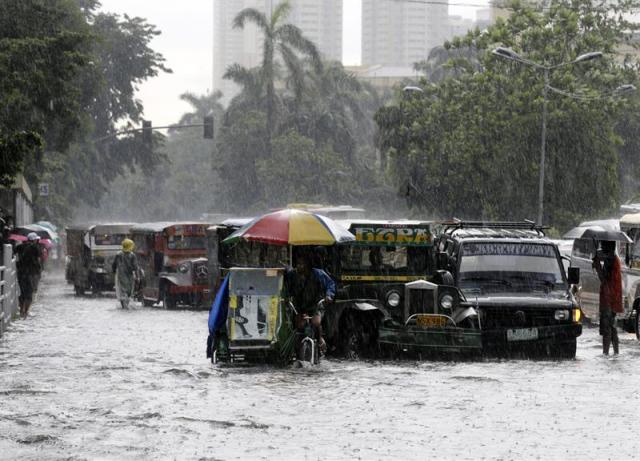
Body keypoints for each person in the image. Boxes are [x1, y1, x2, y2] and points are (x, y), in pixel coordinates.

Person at [286, 253, 336, 354]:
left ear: (308, 265)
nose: (299, 266)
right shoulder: (293, 275)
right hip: (300, 307)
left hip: (316, 305)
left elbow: (330, 284)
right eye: (298, 264)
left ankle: (321, 340)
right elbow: (285, 283)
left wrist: (329, 295)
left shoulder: (318, 274)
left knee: (316, 322)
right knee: (298, 324)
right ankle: (296, 349)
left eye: (302, 264)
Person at [592, 240, 623, 355]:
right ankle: (616, 353)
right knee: (612, 327)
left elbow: (603, 279)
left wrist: (597, 266)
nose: (601, 248)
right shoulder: (613, 258)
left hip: (608, 298)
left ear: (607, 246)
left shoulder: (610, 260)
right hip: (614, 298)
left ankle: (605, 354)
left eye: (603, 245)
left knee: (607, 328)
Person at [15, 232, 43, 318]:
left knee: (23, 292)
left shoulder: (20, 246)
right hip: (31, 273)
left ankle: (21, 311)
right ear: (34, 240)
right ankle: (26, 312)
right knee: (29, 293)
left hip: (21, 273)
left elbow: (14, 253)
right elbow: (39, 257)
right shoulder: (35, 247)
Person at [112, 238, 138, 309]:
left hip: (120, 274)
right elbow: (135, 267)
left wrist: (114, 271)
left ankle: (124, 305)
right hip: (129, 275)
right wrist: (137, 276)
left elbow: (114, 265)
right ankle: (125, 305)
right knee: (128, 290)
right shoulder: (132, 255)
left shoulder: (118, 254)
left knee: (122, 290)